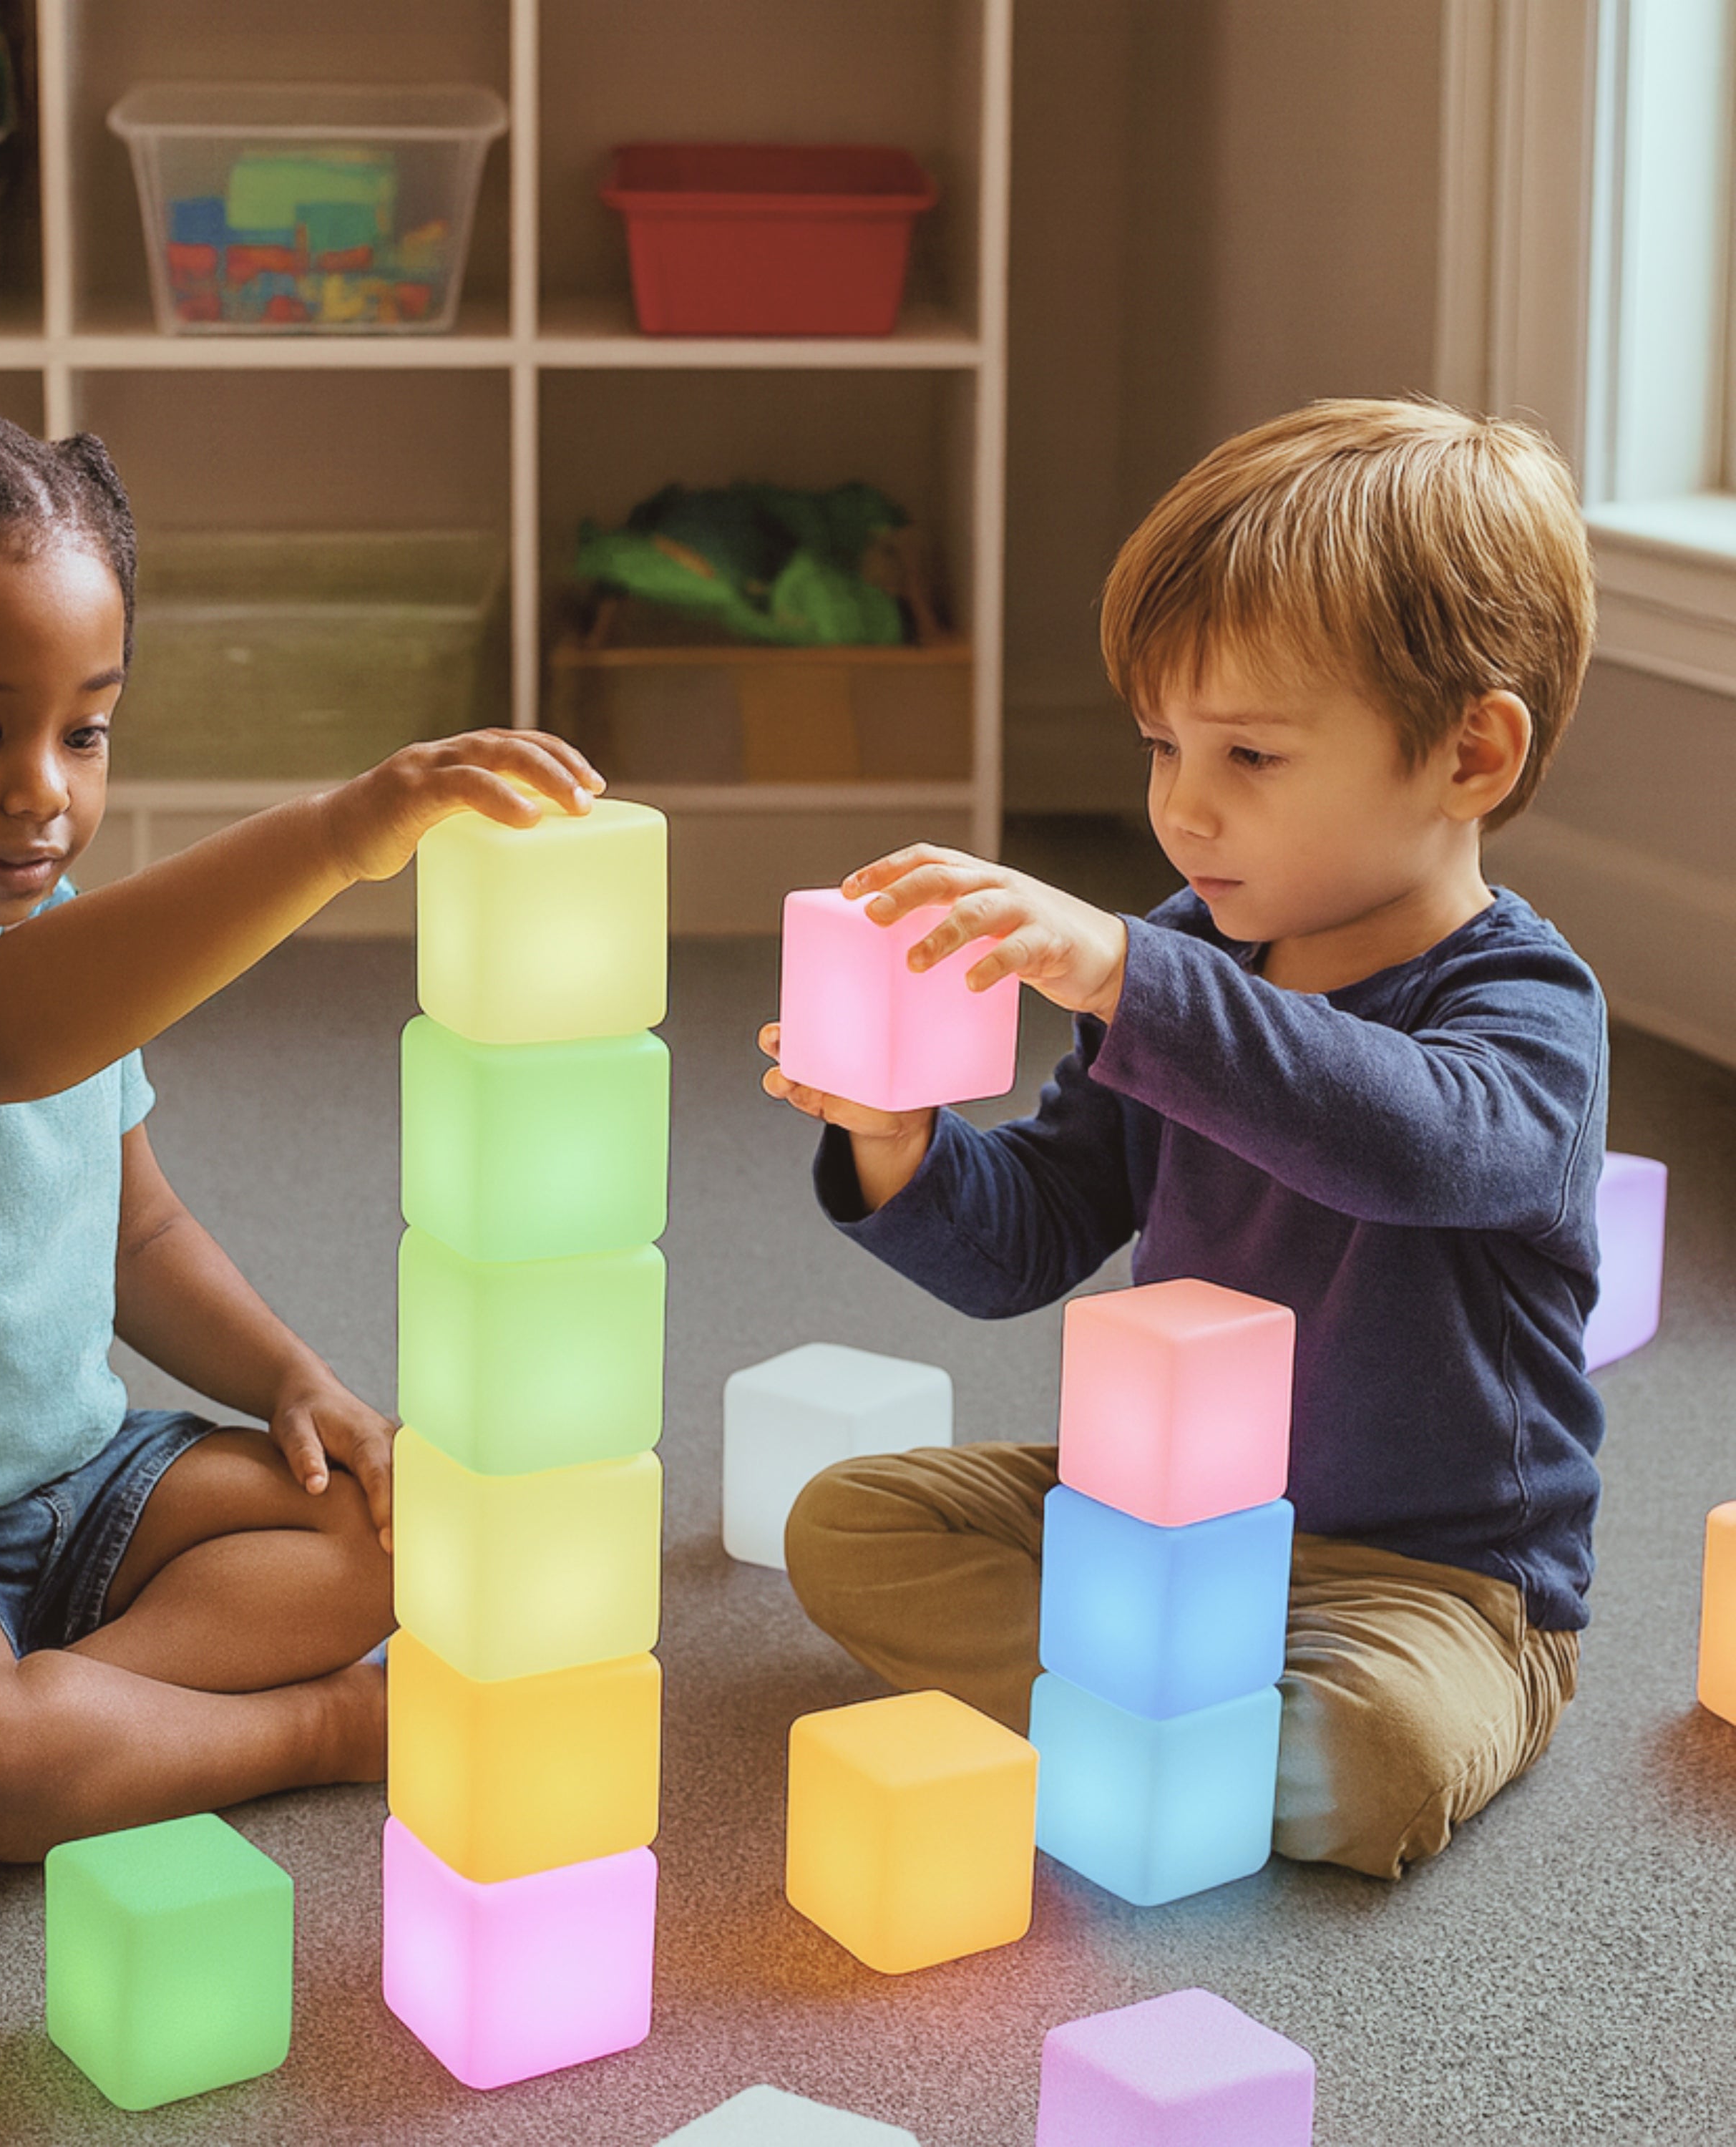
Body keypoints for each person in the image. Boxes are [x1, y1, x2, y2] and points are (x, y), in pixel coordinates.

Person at [0, 396, 603, 1910]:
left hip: (70, 1485)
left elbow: (133, 1234)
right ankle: (283, 1734)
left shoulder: (51, 944)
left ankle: (61, 1741)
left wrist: (290, 1380)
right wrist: (339, 835)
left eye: (86, 730)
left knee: (404, 1532)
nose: (46, 791)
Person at [759, 399, 1606, 1879]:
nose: (1181, 809)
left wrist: (1130, 979)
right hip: (1156, 1519)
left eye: (1252, 758)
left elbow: (1410, 1143)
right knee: (848, 1524)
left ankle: (1153, 1730)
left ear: (1471, 756)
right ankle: (1159, 1723)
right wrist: (901, 1137)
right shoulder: (1186, 959)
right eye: (1162, 746)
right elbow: (1026, 1238)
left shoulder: (1525, 1005)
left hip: (1427, 1577)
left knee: (1375, 1758)